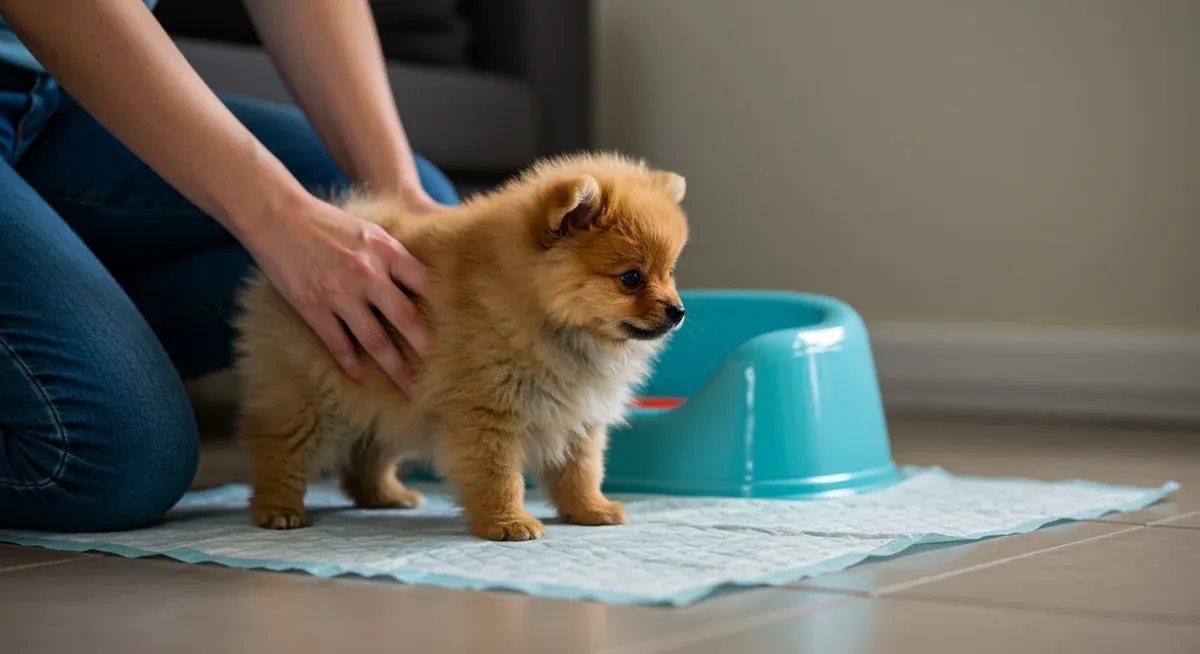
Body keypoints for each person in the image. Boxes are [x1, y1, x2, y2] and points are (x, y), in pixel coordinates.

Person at [0, 0, 458, 532]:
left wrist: (397, 193)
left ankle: (58, 354)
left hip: (55, 95)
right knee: (103, 459)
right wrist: (278, 217)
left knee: (397, 251)